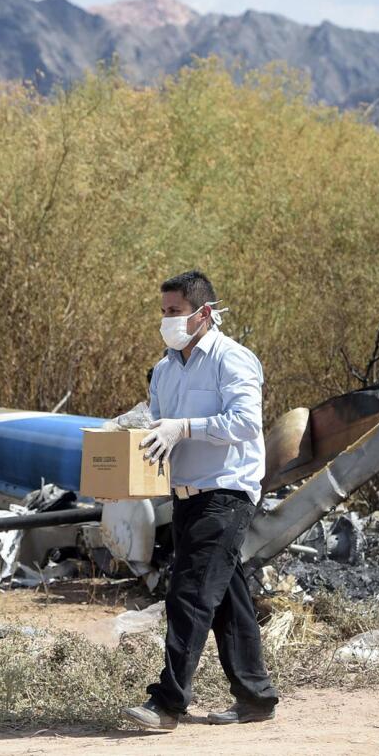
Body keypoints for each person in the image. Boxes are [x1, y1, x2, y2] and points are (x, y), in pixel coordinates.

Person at [122, 270, 279, 731]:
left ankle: (167, 705)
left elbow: (246, 423)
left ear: (204, 313)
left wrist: (184, 427)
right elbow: (156, 420)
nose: (167, 320)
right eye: (164, 311)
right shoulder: (166, 368)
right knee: (228, 600)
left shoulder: (233, 360)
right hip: (185, 496)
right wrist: (132, 427)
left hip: (226, 493)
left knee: (188, 594)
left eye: (175, 312)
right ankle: (256, 697)